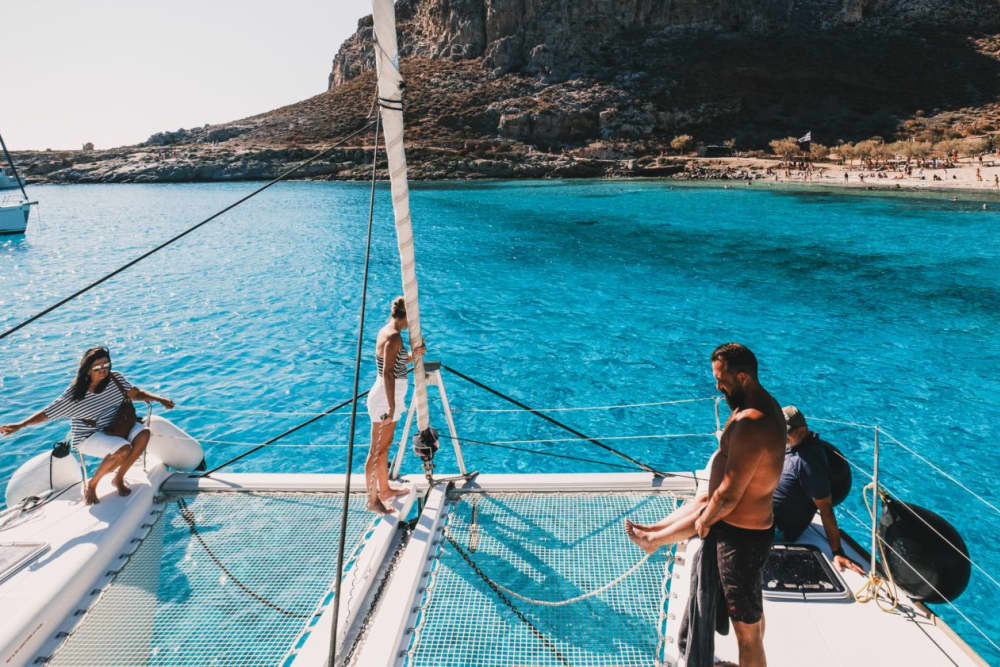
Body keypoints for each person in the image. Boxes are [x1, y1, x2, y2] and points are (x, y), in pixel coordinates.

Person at [630, 343, 784, 666]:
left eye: (722, 379)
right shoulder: (762, 405)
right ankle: (654, 536)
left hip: (740, 540)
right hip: (748, 534)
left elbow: (727, 496)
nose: (717, 386)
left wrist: (705, 522)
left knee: (748, 634)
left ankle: (654, 540)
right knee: (753, 619)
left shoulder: (751, 422)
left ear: (742, 377)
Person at [0, 347, 174, 504]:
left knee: (144, 434)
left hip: (117, 426)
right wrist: (20, 425)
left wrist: (160, 399)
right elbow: (47, 413)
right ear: (87, 369)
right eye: (97, 367)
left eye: (106, 365)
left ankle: (118, 478)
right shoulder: (75, 394)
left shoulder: (116, 379)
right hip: (89, 435)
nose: (103, 370)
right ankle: (92, 485)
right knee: (123, 450)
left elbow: (135, 394)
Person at [773, 406, 864, 574]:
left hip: (777, 528)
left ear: (803, 430)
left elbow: (826, 509)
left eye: (786, 432)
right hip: (766, 514)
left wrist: (837, 552)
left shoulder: (808, 463)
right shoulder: (796, 445)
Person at [365, 296, 425, 514]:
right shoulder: (394, 337)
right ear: (406, 316)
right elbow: (388, 373)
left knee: (384, 448)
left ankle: (385, 490)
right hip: (385, 400)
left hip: (389, 398)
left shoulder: (389, 333)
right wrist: (391, 407)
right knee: (377, 451)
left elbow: (394, 363)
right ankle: (373, 500)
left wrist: (413, 355)